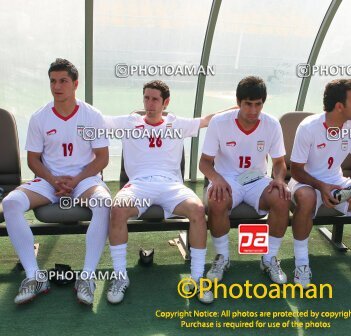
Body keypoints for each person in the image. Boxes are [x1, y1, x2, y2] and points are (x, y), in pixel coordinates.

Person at [3, 58, 110, 305]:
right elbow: (33, 160)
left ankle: (87, 277)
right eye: (53, 81)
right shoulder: (39, 117)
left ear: (75, 84)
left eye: (63, 81)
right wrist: (53, 180)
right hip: (48, 180)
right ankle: (34, 276)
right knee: (11, 203)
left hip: (84, 179)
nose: (57, 86)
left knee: (104, 203)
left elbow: (102, 158)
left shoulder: (92, 115)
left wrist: (76, 180)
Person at [105, 80, 217, 304]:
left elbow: (207, 120)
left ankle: (197, 278)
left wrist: (240, 108)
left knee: (197, 210)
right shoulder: (129, 122)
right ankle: (120, 277)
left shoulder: (176, 124)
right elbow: (94, 119)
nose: (149, 103)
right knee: (117, 209)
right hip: (139, 185)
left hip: (170, 185)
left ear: (166, 102)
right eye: (146, 98)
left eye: (155, 99)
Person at [289, 79, 351, 287]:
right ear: (339, 106)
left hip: (337, 183)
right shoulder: (308, 127)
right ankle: (301, 265)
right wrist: (322, 187)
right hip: (305, 183)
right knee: (307, 198)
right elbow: (296, 170)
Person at [199, 76, 290, 284]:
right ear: (239, 102)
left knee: (282, 197)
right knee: (216, 198)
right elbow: (204, 163)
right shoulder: (219, 123)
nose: (253, 110)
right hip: (227, 178)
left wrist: (279, 179)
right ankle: (223, 257)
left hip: (257, 179)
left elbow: (278, 163)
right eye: (248, 104)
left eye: (258, 104)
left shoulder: (272, 124)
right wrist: (216, 179)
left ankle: (269, 258)